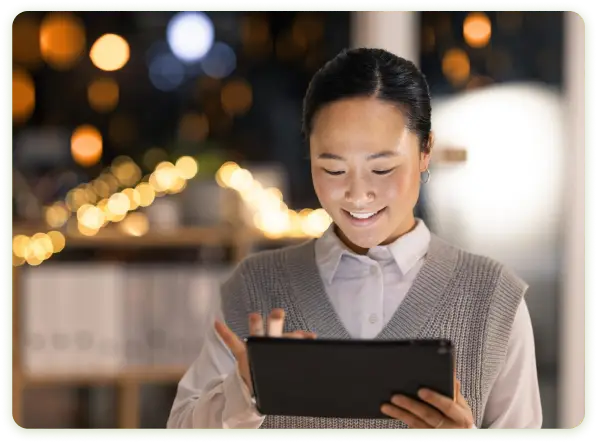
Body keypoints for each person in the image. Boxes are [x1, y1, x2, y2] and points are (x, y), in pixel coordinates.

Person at [167, 48, 542, 430]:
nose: (358, 194)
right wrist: (242, 394)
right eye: (332, 168)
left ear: (425, 150)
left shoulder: (493, 298)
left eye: (382, 168)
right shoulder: (253, 289)